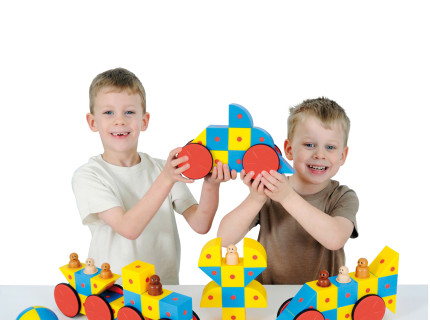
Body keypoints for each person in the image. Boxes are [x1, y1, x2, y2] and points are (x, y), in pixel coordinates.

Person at [72, 68, 236, 283]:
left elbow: (200, 224)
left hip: (163, 287)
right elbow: (128, 228)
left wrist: (211, 185)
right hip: (113, 289)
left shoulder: (162, 169)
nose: (119, 120)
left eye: (129, 112)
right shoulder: (89, 175)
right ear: (93, 122)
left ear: (144, 121)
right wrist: (167, 178)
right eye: (108, 112)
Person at [217, 97, 358, 284]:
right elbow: (224, 239)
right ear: (289, 150)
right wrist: (255, 199)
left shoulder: (342, 196)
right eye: (309, 145)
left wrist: (287, 197)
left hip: (323, 296)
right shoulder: (270, 189)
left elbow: (335, 239)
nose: (319, 154)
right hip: (269, 294)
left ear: (342, 156)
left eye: (330, 147)